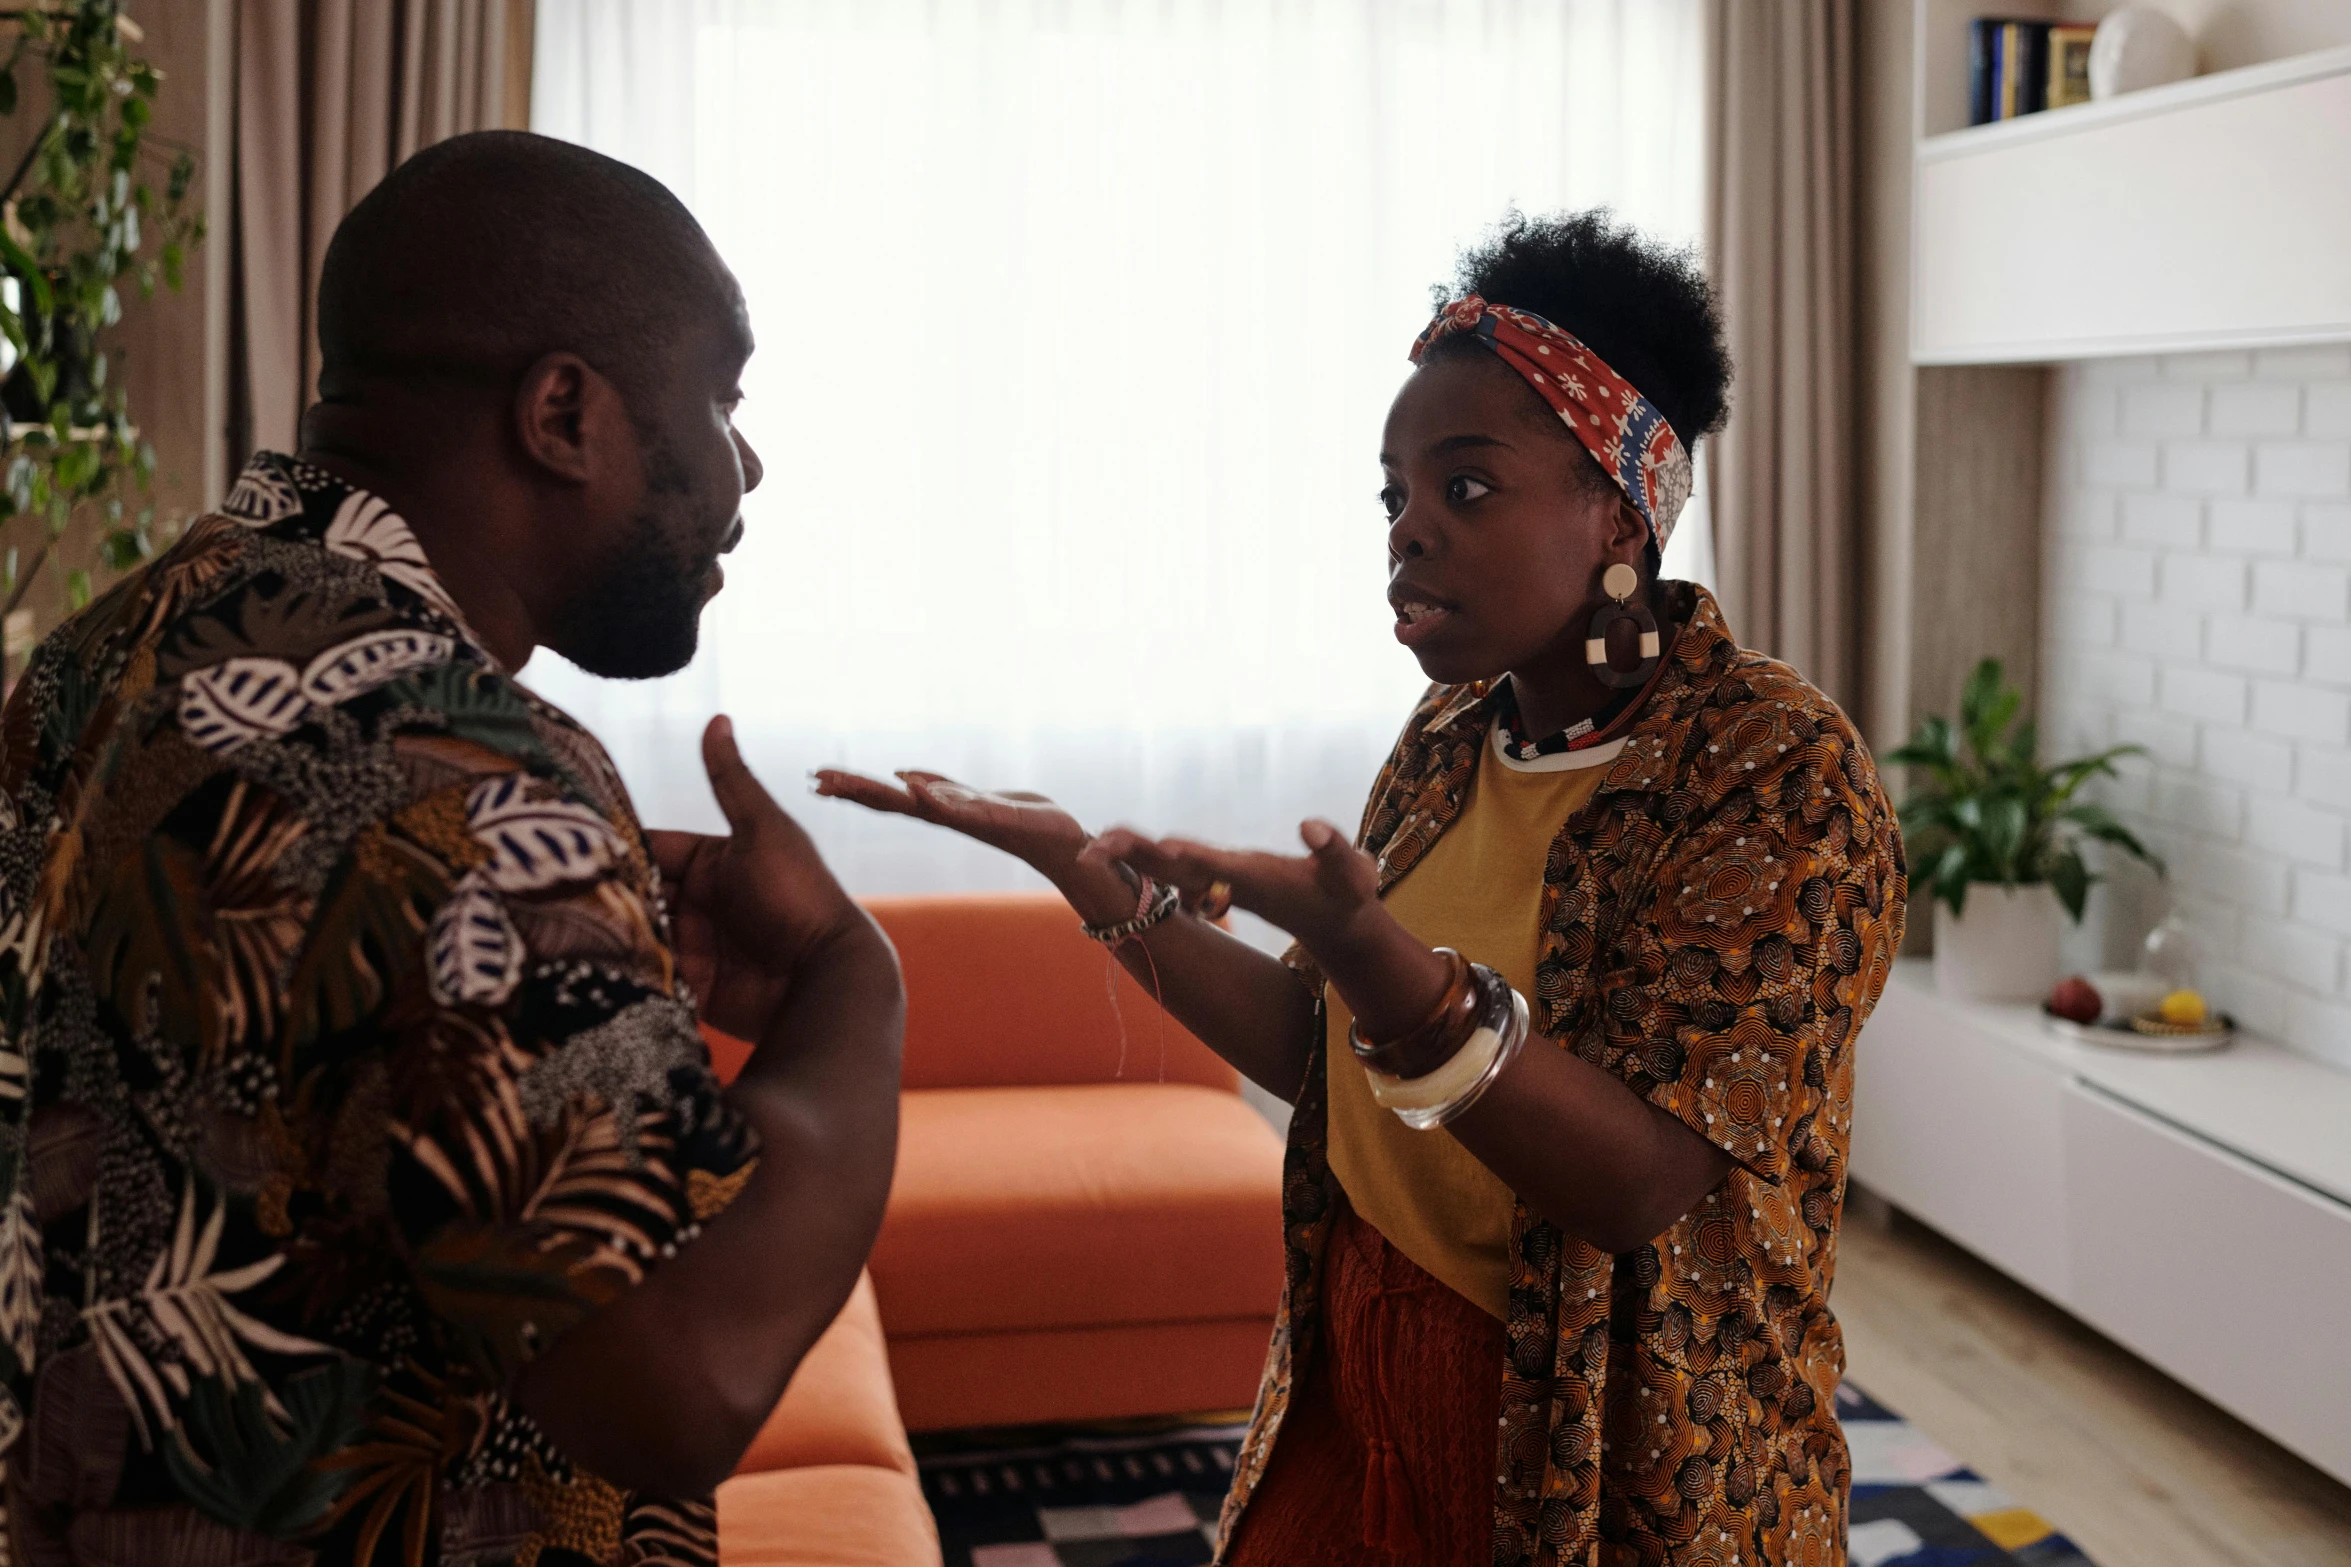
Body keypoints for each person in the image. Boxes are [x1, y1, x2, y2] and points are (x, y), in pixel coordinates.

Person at [821, 210, 1906, 1565]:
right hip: (1356, 1350)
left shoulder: (1773, 769)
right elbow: (1315, 1046)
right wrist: (1090, 881)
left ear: (1620, 509)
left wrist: (1378, 961)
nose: (1406, 534)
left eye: (1464, 488)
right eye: (1388, 494)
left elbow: (1636, 1183)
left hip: (1613, 1434)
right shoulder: (1457, 735)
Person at [0, 131, 905, 1565]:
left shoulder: (101, 657)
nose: (749, 462)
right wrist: (851, 982)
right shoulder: (467, 765)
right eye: (722, 399)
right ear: (562, 412)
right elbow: (678, 1377)